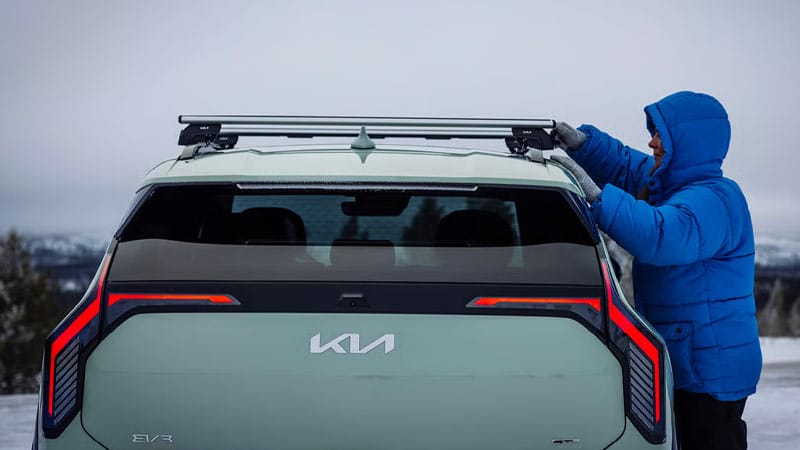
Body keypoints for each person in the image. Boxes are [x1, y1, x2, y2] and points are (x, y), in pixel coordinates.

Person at [550, 91, 761, 450]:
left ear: (688, 142)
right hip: (693, 359)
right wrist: (583, 145)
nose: (652, 142)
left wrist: (598, 199)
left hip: (710, 371)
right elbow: (626, 167)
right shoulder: (673, 185)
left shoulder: (713, 199)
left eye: (661, 134)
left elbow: (660, 237)